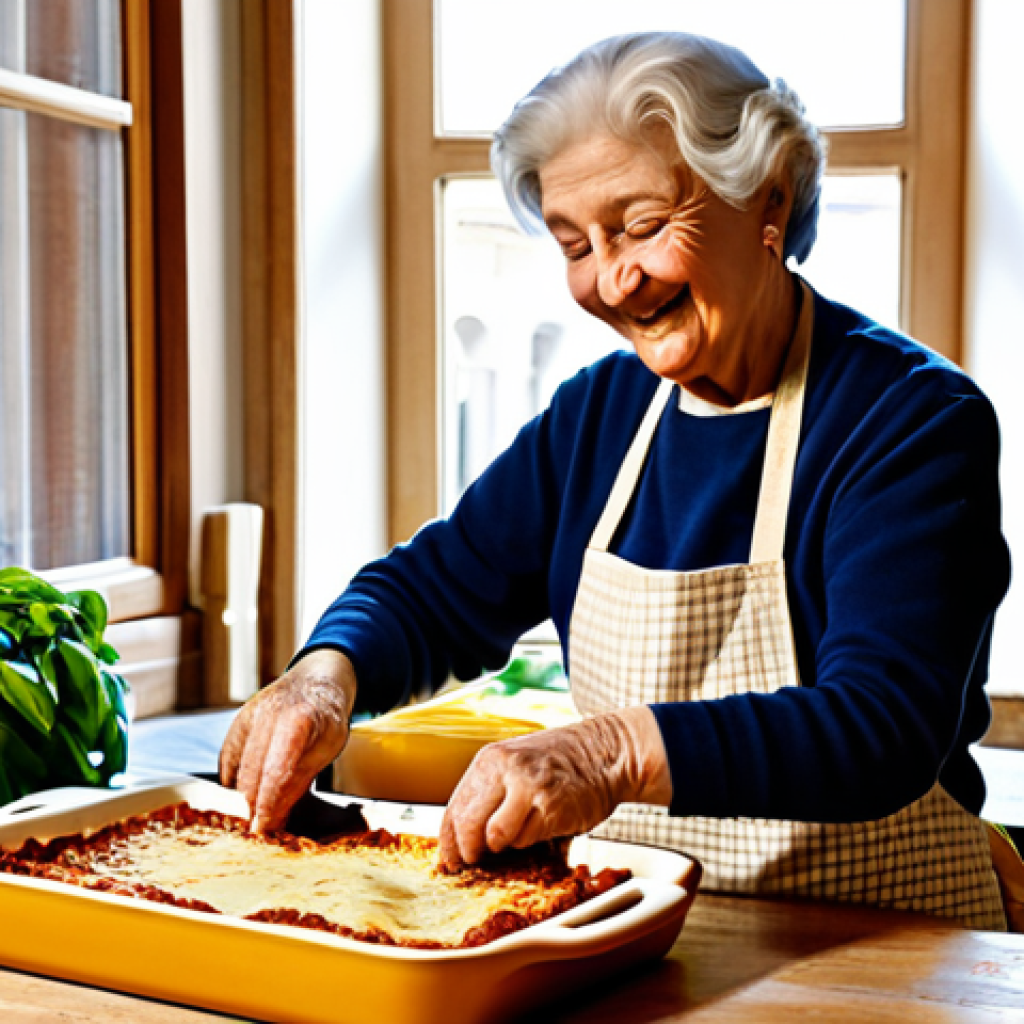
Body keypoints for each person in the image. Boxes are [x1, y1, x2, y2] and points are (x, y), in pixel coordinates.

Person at [220, 32, 1012, 929]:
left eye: (640, 226)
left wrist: (609, 754)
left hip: (886, 943)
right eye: (574, 244)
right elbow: (436, 589)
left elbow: (880, 727)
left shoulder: (908, 418)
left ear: (769, 202)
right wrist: (324, 678)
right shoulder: (597, 416)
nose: (612, 280)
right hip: (655, 938)